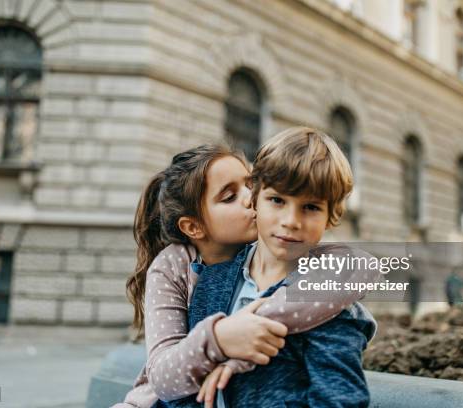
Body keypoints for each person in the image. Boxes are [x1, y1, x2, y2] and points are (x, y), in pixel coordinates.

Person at [115, 141, 378, 408]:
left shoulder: (288, 253)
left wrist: (252, 328)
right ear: (193, 227)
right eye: (229, 196)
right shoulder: (180, 268)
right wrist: (220, 338)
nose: (249, 199)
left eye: (249, 185)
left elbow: (357, 265)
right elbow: (164, 378)